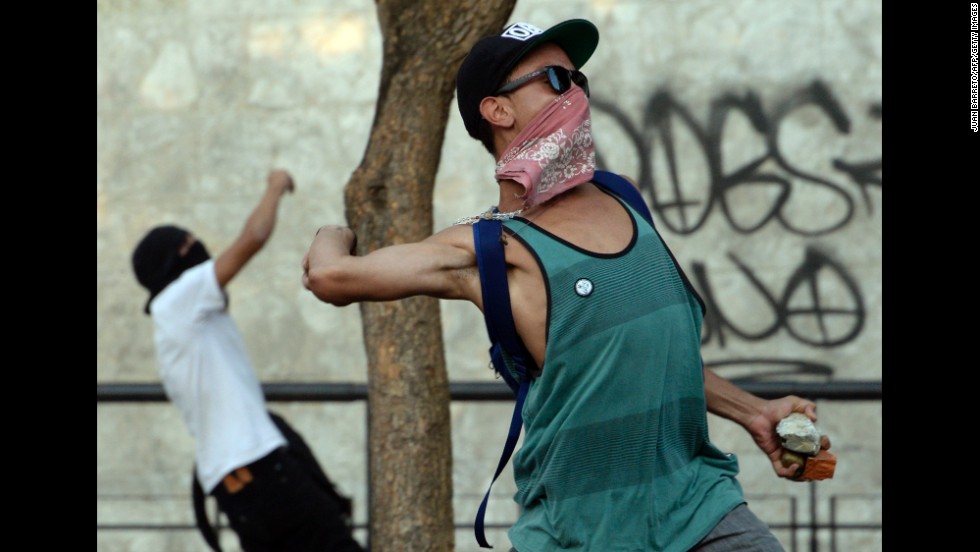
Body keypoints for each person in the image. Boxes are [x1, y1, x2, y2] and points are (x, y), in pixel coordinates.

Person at [302, 19, 831, 552]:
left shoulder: (624, 198)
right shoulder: (487, 248)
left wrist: (753, 412)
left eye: (580, 80)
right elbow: (330, 275)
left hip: (702, 512)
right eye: (556, 80)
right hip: (578, 534)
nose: (575, 91)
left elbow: (643, 352)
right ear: (498, 110)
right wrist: (335, 230)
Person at [132, 169, 364, 552]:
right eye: (191, 244)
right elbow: (251, 240)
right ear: (177, 262)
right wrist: (275, 188)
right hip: (261, 470)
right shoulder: (179, 298)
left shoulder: (176, 321)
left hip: (234, 485)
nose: (201, 248)